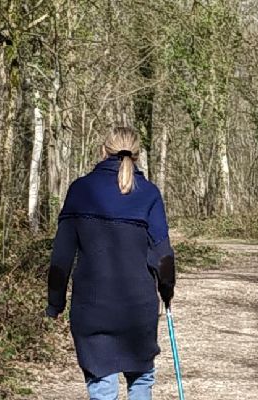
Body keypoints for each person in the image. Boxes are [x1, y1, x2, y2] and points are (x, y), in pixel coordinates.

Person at [47, 127, 178, 400]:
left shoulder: (80, 190)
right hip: (138, 310)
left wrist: (55, 302)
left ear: (102, 151)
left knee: (102, 386)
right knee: (141, 381)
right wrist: (167, 292)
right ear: (138, 155)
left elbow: (61, 256)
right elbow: (163, 257)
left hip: (92, 310)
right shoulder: (149, 194)